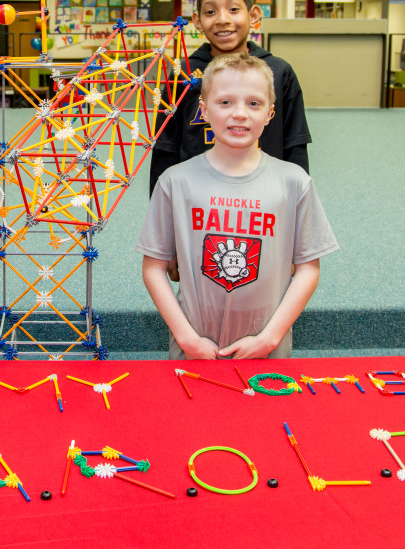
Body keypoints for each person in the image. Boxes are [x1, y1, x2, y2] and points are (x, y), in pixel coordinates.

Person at [136, 53, 338, 360]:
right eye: (225, 102)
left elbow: (309, 268)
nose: (240, 114)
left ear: (271, 112)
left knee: (268, 410)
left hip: (268, 348)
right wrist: (188, 340)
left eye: (254, 104)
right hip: (194, 346)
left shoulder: (294, 182)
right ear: (203, 110)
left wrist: (269, 339)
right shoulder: (175, 182)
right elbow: (153, 268)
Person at [149, 0, 311, 196]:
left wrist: (297, 202)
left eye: (233, 9)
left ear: (253, 15)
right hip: (198, 195)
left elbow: (294, 145)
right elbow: (166, 148)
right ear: (197, 20)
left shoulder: (279, 72)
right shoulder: (183, 74)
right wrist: (161, 207)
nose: (223, 19)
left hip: (265, 196)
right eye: (210, 11)